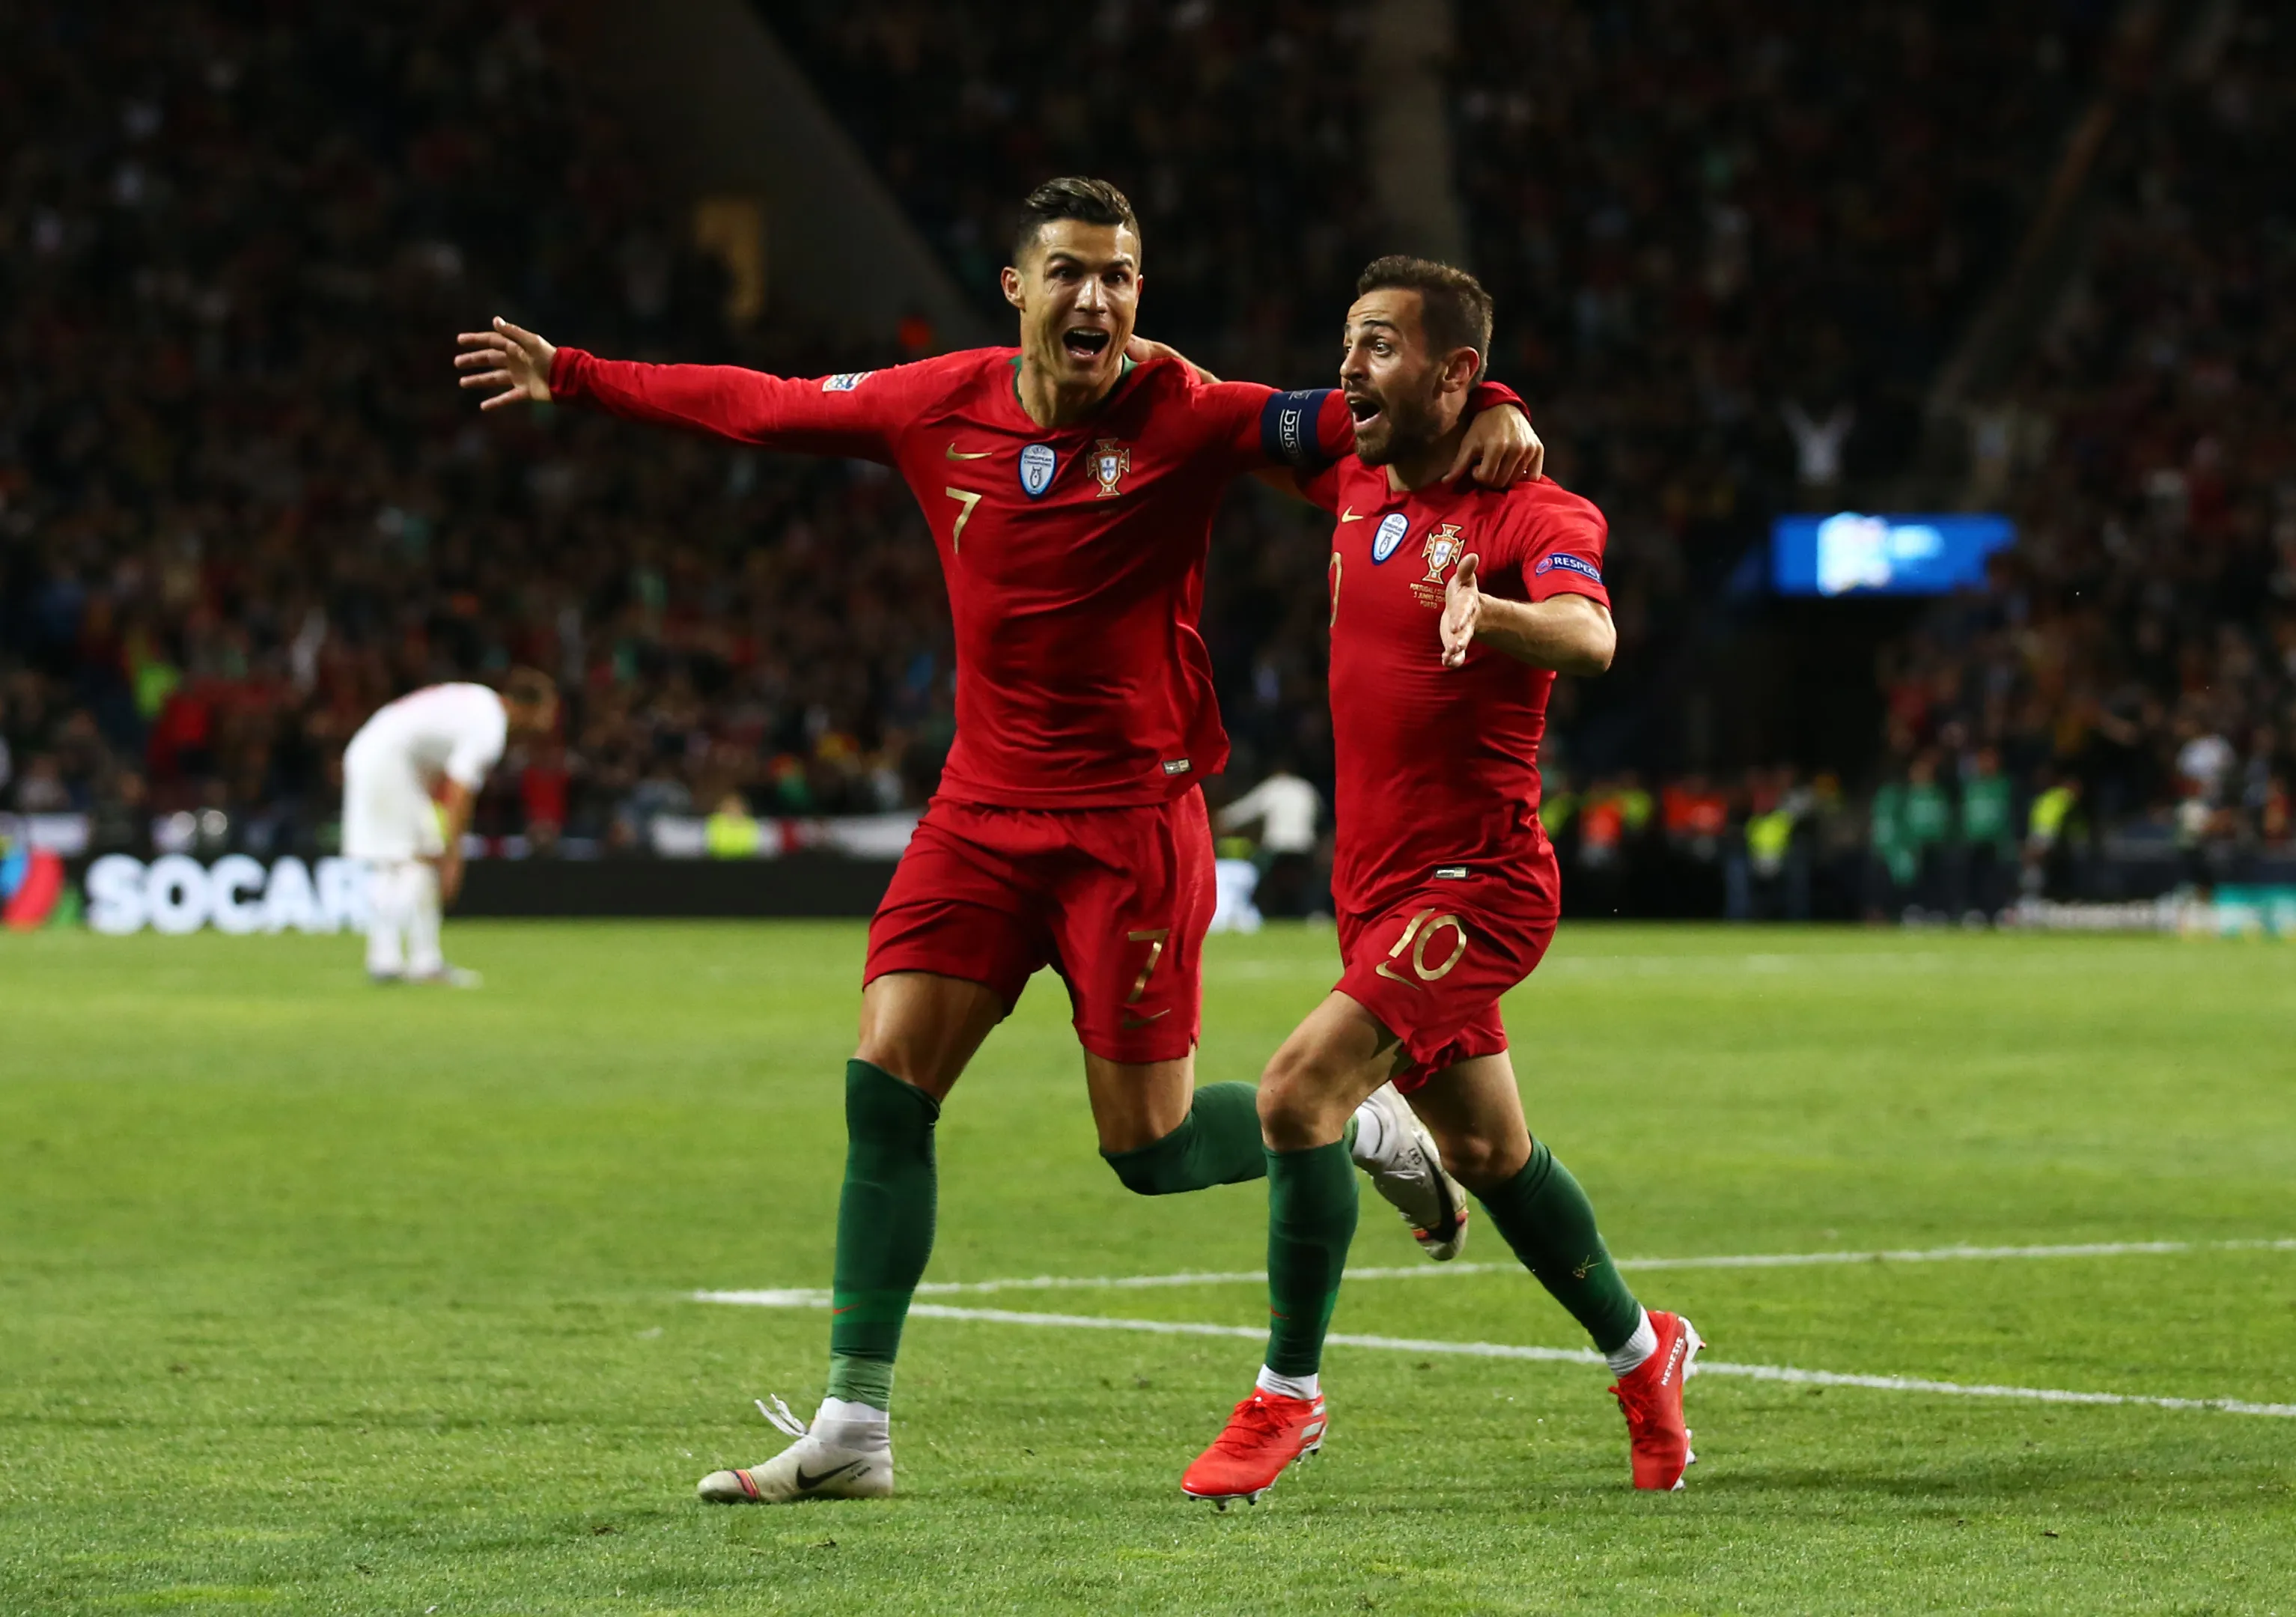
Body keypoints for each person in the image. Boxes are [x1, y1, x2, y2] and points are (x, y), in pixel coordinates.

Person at [455, 178, 1544, 1505]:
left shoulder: (1188, 410)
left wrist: (1494, 409)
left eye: (1123, 277)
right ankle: (854, 1427)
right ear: (1019, 290)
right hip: (978, 813)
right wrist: (576, 374)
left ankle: (1360, 1128)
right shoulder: (937, 402)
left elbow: (1371, 413)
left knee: (1144, 1152)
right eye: (1074, 273)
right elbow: (762, 403)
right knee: (883, 1087)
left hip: (1130, 826)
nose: (1100, 299)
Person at [1148, 258, 1699, 1504]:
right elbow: (1222, 420)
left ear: (1452, 372)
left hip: (1479, 885)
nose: (1351, 367)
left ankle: (1285, 1398)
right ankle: (1641, 1347)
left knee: (1297, 1095)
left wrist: (1494, 618)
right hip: (1379, 891)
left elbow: (1592, 634)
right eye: (1347, 342)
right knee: (1493, 1153)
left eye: (1382, 346)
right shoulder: (1350, 472)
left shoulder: (1533, 515)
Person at [342, 670, 558, 985]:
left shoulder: (479, 703)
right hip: (387, 762)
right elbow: (459, 789)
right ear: (528, 706)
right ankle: (394, 960)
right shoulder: (490, 726)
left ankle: (410, 960)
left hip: (383, 756)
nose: (550, 720)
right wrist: (454, 854)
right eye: (548, 710)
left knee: (403, 862)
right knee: (414, 860)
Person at [1215, 759, 1324, 918]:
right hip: (1304, 848)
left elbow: (1244, 811)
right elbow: (1320, 814)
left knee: (1252, 876)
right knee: (1312, 882)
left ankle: (1252, 913)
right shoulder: (1306, 788)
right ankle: (1315, 912)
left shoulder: (1273, 787)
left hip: (1276, 849)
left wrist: (1222, 818)